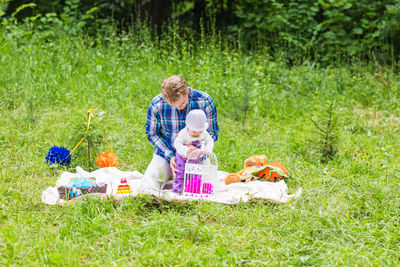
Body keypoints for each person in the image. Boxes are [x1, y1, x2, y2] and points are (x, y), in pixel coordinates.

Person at [143, 75, 218, 190]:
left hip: (198, 154)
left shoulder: (205, 101)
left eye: (182, 104)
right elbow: (152, 133)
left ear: (187, 91)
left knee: (199, 188)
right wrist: (171, 156)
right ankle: (168, 174)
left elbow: (212, 133)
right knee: (148, 185)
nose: (178, 108)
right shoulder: (157, 104)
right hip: (167, 153)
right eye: (174, 106)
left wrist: (198, 151)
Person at [172, 109, 214, 193]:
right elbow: (177, 143)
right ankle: (177, 190)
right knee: (180, 173)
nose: (197, 133)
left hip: (196, 157)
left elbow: (210, 140)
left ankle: (193, 189)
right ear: (188, 127)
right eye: (194, 131)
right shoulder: (183, 133)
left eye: (200, 131)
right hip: (182, 157)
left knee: (196, 172)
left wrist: (206, 150)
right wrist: (185, 150)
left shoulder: (204, 133)